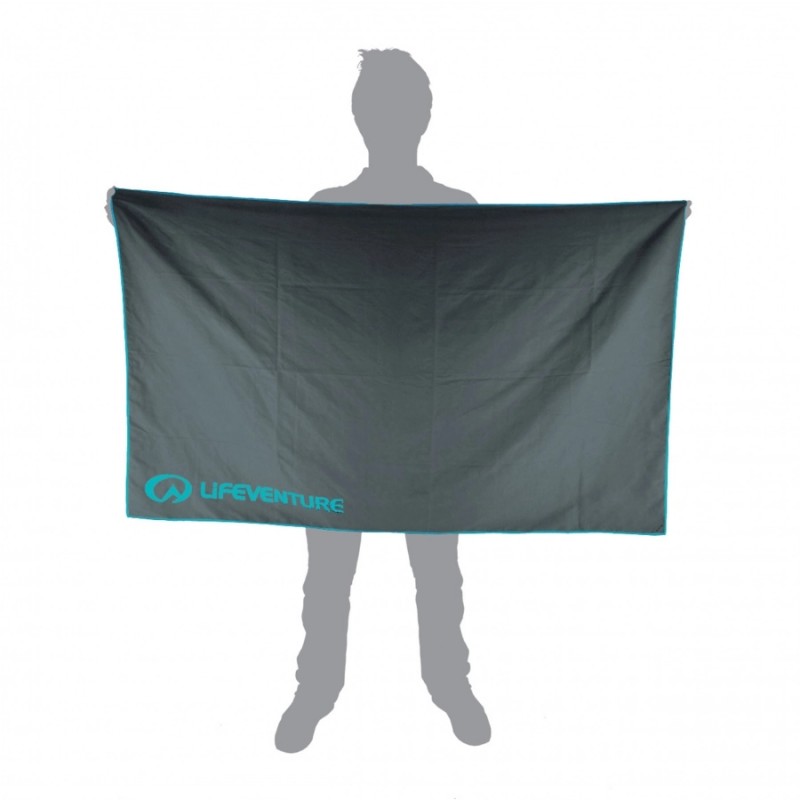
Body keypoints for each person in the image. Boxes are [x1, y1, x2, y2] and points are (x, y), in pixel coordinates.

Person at [273, 48, 491, 754]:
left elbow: (489, 308)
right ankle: (317, 690)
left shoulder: (457, 210)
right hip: (342, 429)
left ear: (422, 116)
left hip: (428, 429)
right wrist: (152, 230)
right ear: (360, 117)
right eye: (380, 107)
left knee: (437, 574)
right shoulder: (327, 209)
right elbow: (290, 304)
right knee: (329, 577)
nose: (390, 120)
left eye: (400, 107)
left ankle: (448, 684)